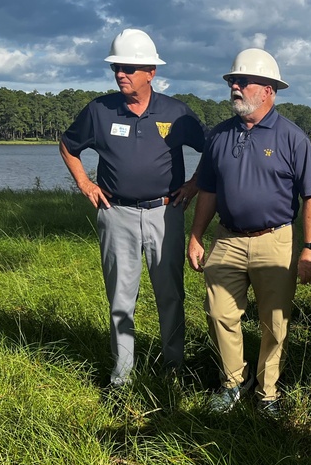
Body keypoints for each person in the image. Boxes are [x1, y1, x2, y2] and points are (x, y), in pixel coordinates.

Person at [59, 28, 206, 390]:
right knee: (120, 297)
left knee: (170, 294)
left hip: (165, 213)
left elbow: (212, 150)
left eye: (128, 67)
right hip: (116, 214)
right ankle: (122, 376)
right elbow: (68, 146)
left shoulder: (176, 112)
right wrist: (85, 184)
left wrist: (194, 184)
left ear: (151, 72)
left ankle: (173, 369)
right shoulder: (99, 110)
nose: (120, 74)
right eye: (116, 68)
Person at [187, 48, 311, 416]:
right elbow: (209, 191)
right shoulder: (219, 136)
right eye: (233, 80)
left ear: (268, 91)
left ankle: (268, 392)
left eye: (243, 81)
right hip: (226, 238)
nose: (235, 87)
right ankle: (232, 383)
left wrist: (310, 247)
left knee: (275, 321)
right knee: (219, 314)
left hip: (274, 240)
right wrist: (197, 235)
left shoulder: (293, 138)